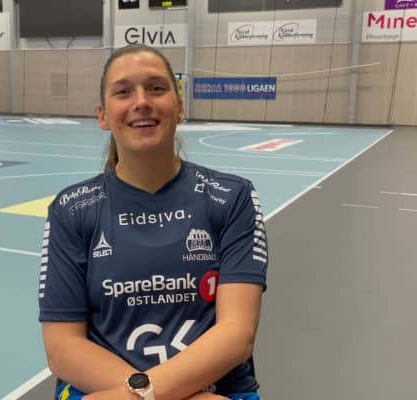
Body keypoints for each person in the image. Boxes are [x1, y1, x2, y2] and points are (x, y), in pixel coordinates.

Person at [38, 44, 268, 400]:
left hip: (216, 390)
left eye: (156, 88)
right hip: (110, 389)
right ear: (103, 116)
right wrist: (150, 395)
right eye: (123, 92)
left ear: (180, 108)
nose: (141, 101)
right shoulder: (71, 209)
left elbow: (237, 333)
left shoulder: (232, 197)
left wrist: (140, 395)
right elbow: (63, 347)